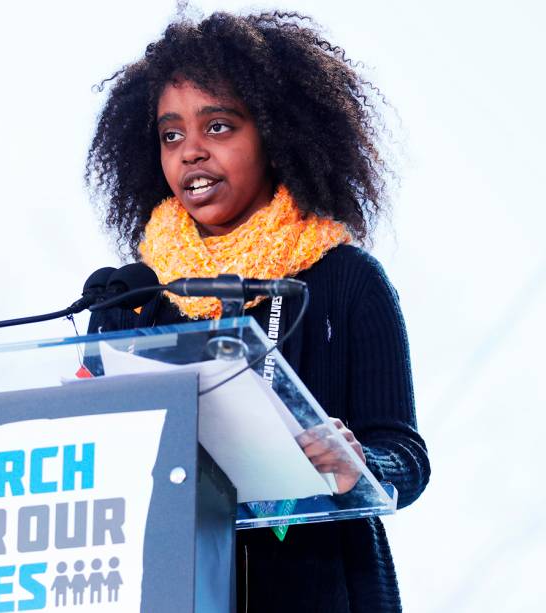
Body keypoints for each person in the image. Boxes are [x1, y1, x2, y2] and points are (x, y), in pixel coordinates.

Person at [85, 10, 430, 613]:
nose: (191, 151)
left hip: (316, 583)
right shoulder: (132, 296)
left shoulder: (346, 279)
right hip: (168, 584)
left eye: (218, 127)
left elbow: (405, 454)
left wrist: (360, 462)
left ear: (277, 134)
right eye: (171, 135)